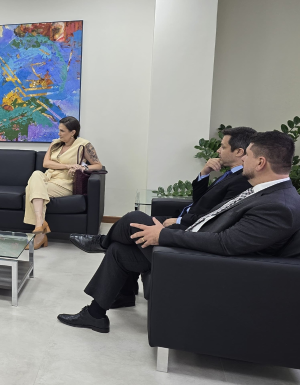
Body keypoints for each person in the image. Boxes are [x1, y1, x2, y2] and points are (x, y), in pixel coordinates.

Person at [59, 131, 300, 333]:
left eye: (248, 157)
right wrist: (176, 226)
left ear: (260, 163)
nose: (244, 162)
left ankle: (100, 243)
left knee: (133, 220)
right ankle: (95, 314)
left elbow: (227, 244)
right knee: (120, 249)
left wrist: (164, 235)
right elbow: (216, 219)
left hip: (199, 266)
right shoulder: (267, 192)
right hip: (195, 248)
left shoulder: (278, 205)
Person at [70, 126, 255, 300]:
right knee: (120, 244)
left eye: (223, 147)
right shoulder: (231, 174)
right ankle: (120, 296)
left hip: (188, 227)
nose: (218, 151)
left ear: (239, 152)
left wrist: (180, 220)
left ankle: (102, 243)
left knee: (132, 220)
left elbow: (215, 217)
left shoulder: (241, 181)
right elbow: (200, 200)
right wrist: (205, 172)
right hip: (185, 220)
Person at [24, 116, 102, 249]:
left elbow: (98, 165)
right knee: (36, 174)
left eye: (62, 131)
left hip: (65, 183)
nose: (59, 133)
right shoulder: (55, 143)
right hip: (48, 178)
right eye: (59, 130)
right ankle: (40, 225)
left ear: (73, 132)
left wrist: (83, 167)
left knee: (32, 189)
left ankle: (40, 232)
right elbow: (46, 163)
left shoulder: (84, 145)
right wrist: (68, 166)